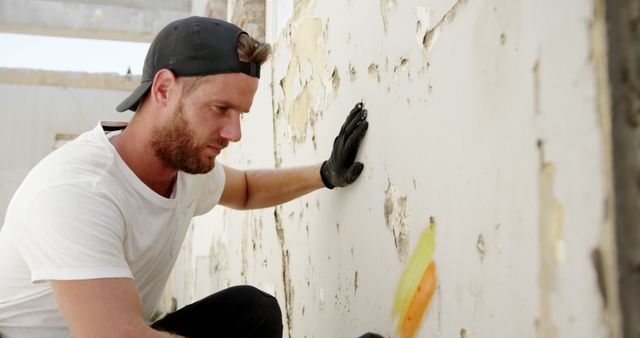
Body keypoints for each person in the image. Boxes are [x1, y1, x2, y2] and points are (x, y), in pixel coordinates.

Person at [0, 16, 369, 338]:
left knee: (251, 312)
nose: (234, 132)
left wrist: (326, 173)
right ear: (163, 89)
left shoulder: (183, 165)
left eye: (240, 113)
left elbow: (246, 189)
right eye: (220, 108)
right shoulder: (78, 192)